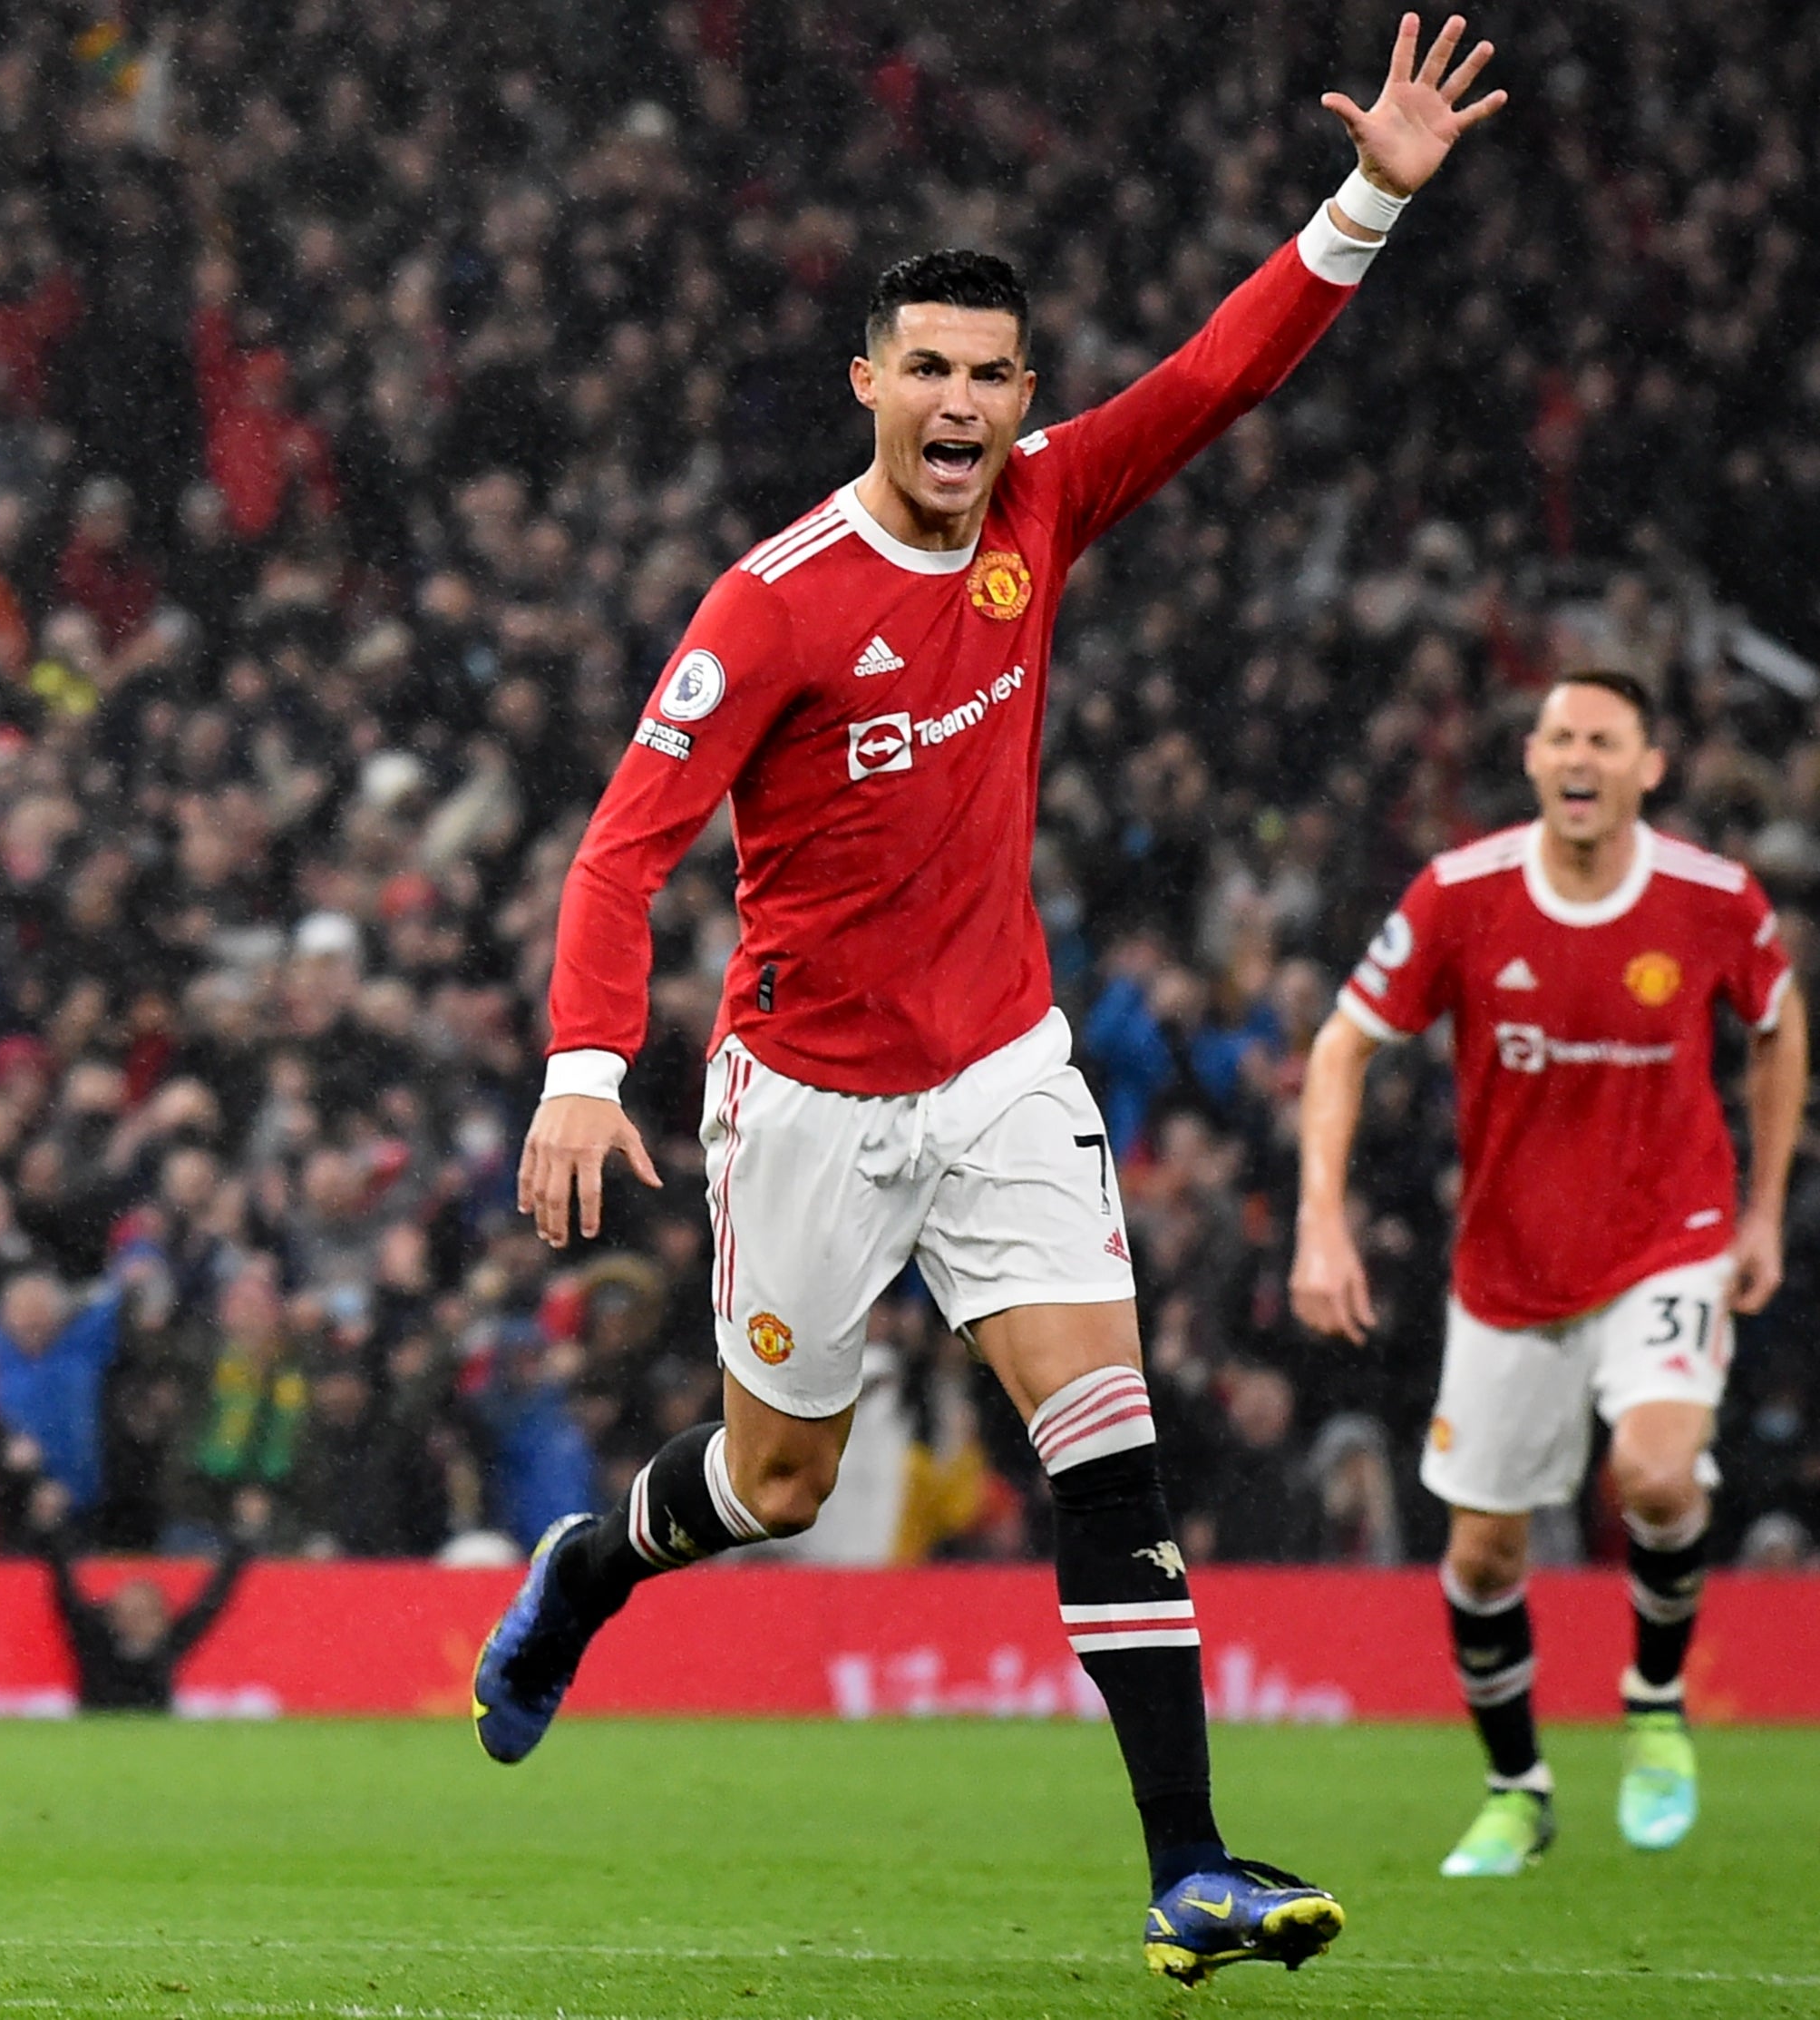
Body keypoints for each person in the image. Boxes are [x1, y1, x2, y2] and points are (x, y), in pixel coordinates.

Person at [474, 15, 1504, 1986]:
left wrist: (1370, 190)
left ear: (1020, 392)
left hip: (1003, 1078)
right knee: (773, 1483)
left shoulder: (1039, 506)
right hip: (805, 1106)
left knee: (1103, 1430)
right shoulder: (770, 600)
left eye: (988, 375)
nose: (958, 405)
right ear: (864, 385)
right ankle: (590, 1567)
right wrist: (581, 1071)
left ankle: (1184, 1865)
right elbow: (622, 849)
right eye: (923, 371)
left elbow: (1219, 374)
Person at [1290, 671, 1805, 1877]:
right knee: (1481, 1556)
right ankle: (1518, 1788)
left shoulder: (1711, 897)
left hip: (1668, 1237)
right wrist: (1321, 1220)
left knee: (1659, 1472)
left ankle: (1656, 1699)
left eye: (1605, 740)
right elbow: (1340, 1041)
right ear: (1531, 758)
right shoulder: (1461, 894)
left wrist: (1766, 1209)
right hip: (1511, 1267)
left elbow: (1776, 1021)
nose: (1580, 757)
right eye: (1561, 736)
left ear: (1649, 766)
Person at [31, 1479, 260, 1712]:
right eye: (129, 1612)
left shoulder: (169, 1643)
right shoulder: (94, 1642)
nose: (136, 1621)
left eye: (145, 1614)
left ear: (161, 1617)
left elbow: (213, 1600)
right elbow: (64, 1590)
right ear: (111, 1615)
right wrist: (50, 1528)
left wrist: (244, 1537)